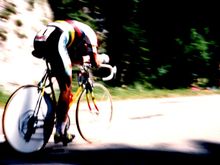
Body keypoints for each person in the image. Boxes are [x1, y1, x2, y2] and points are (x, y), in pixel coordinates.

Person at [32, 19, 109, 145]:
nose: (90, 50)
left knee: (61, 74)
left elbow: (71, 58)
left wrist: (82, 61)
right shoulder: (92, 36)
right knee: (66, 89)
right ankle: (60, 131)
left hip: (40, 39)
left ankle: (54, 112)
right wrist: (102, 58)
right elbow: (95, 62)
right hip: (56, 40)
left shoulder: (78, 32)